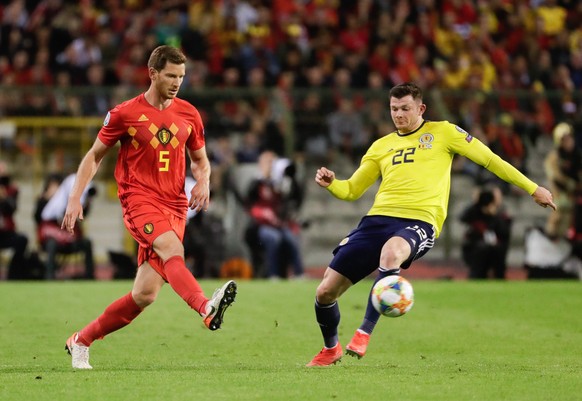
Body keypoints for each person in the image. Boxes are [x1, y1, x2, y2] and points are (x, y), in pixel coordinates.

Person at [307, 82, 556, 367]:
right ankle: (330, 349)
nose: (398, 115)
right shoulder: (381, 146)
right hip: (376, 221)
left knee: (391, 253)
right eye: (394, 109)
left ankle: (364, 331)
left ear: (420, 108)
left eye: (405, 109)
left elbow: (489, 159)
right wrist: (332, 184)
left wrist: (532, 187)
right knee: (325, 291)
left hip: (419, 221)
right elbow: (351, 190)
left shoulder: (444, 133)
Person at [61, 45, 237, 370]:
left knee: (144, 296)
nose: (176, 82)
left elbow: (200, 160)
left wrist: (204, 181)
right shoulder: (124, 113)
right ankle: (205, 307)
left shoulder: (189, 114)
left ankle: (81, 340)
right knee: (173, 250)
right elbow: (94, 156)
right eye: (171, 75)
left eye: (181, 76)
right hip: (138, 199)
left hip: (175, 204)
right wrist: (75, 197)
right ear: (153, 73)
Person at [245, 151, 305, 279]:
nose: (271, 166)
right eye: (268, 162)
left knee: (291, 237)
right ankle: (273, 274)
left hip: (277, 223)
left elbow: (293, 198)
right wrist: (262, 178)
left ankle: (298, 273)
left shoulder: (278, 183)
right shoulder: (256, 182)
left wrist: (289, 180)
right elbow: (248, 199)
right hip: (259, 226)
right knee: (273, 238)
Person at [37, 173, 96, 280]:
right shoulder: (44, 201)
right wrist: (46, 199)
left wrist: (87, 201)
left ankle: (89, 276)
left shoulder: (68, 198)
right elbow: (38, 218)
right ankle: (49, 276)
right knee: (52, 244)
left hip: (71, 238)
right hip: (54, 239)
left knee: (87, 243)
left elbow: (82, 215)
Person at [460, 186, 512, 279]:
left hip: (496, 249)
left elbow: (504, 232)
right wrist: (475, 204)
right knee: (480, 250)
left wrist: (494, 215)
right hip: (476, 249)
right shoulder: (475, 211)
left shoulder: (502, 213)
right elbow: (462, 218)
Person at [544, 122, 581, 239]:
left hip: (575, 195)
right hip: (559, 193)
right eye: (564, 139)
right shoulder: (554, 157)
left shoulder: (578, 156)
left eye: (569, 138)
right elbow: (555, 176)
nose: (568, 141)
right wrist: (572, 185)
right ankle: (550, 237)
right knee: (558, 213)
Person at [0, 162, 29, 280]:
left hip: (5, 232)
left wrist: (4, 198)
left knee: (22, 240)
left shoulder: (12, 189)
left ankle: (13, 275)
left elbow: (12, 209)